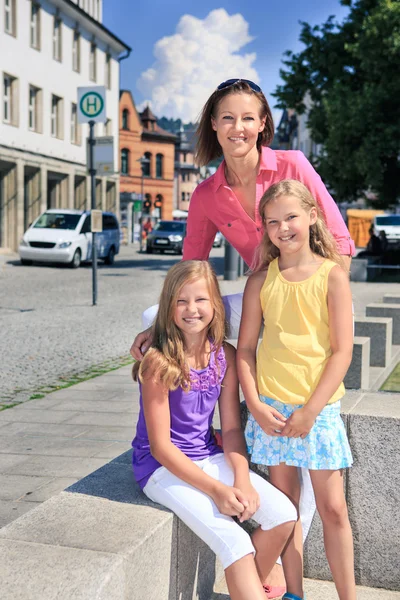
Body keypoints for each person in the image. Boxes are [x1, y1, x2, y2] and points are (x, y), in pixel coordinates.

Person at [130, 78, 355, 594]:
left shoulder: (292, 165)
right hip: (259, 289)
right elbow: (192, 265)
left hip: (306, 282)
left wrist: (310, 287)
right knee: (160, 311)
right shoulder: (209, 193)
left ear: (263, 124)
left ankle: (278, 561)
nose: (237, 128)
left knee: (314, 492)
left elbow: (338, 236)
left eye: (247, 118)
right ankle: (171, 411)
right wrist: (155, 324)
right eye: (226, 118)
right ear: (212, 124)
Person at [131, 260, 297, 600]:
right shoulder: (158, 362)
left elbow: (232, 429)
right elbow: (161, 447)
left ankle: (243, 588)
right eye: (181, 301)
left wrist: (241, 478)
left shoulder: (225, 356)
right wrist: (216, 490)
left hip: (208, 454)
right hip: (161, 467)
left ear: (215, 305)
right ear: (168, 307)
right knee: (235, 541)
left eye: (200, 300)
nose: (191, 309)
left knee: (283, 515)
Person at [237, 179, 355, 600]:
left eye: (291, 217)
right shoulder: (260, 281)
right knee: (286, 510)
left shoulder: (332, 276)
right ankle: (295, 594)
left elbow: (341, 352)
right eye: (272, 222)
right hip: (271, 411)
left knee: (334, 510)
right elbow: (246, 350)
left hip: (317, 412)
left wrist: (310, 410)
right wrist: (253, 403)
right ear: (265, 229)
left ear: (312, 217)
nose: (283, 228)